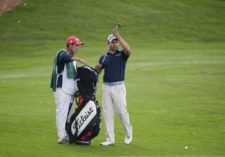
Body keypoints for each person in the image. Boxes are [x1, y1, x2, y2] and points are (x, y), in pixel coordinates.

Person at [95, 29, 133, 146]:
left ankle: (128, 133)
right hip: (106, 87)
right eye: (113, 42)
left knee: (122, 112)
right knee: (107, 112)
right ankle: (110, 138)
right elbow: (98, 72)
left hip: (118, 87)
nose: (115, 44)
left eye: (116, 42)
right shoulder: (104, 57)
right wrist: (97, 68)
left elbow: (128, 50)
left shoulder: (122, 55)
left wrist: (119, 36)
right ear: (108, 43)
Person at [50, 36, 87, 144]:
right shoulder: (62, 53)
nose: (78, 48)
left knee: (69, 115)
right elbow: (65, 58)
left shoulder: (72, 58)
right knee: (62, 113)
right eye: (76, 45)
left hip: (70, 91)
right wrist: (79, 59)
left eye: (79, 45)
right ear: (70, 45)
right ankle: (61, 137)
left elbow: (74, 76)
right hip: (62, 89)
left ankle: (69, 135)